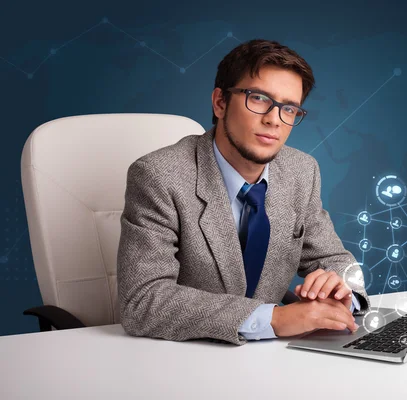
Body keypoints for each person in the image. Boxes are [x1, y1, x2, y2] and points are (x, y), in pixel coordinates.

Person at [117, 39, 371, 345]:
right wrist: (273, 319)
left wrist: (343, 293)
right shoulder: (160, 176)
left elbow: (333, 258)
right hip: (183, 358)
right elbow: (143, 299)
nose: (273, 120)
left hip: (270, 362)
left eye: (288, 108)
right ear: (220, 102)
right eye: (259, 98)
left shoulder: (302, 171)